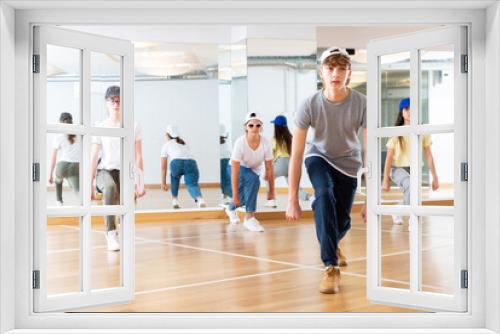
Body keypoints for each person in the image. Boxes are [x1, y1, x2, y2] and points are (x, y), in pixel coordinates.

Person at [286, 47, 367, 294]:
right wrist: (292, 199)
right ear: (322, 72)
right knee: (324, 194)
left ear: (349, 72)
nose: (336, 73)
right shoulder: (309, 104)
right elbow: (297, 153)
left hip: (349, 164)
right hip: (318, 157)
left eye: (342, 68)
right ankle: (330, 267)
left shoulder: (362, 103)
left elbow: (370, 148)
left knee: (343, 221)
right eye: (330, 68)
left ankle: (333, 245)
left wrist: (372, 197)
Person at [90, 85, 144, 251]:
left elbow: (138, 156)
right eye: (112, 100)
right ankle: (110, 233)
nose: (116, 103)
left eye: (119, 100)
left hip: (125, 172)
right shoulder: (100, 126)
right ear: (106, 102)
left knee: (128, 203)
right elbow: (93, 157)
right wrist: (89, 184)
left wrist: (139, 181)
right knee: (110, 188)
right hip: (104, 171)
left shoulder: (133, 126)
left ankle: (122, 228)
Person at [382, 97, 439, 224]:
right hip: (397, 169)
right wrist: (385, 179)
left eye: (412, 109)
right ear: (402, 112)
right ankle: (409, 217)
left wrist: (435, 177)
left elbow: (429, 156)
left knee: (414, 194)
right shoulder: (396, 132)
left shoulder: (422, 132)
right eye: (406, 109)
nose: (409, 112)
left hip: (414, 169)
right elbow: (389, 158)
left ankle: (398, 209)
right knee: (410, 185)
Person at [225, 112, 275, 232]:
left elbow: (269, 169)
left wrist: (271, 192)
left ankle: (231, 208)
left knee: (244, 197)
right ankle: (249, 218)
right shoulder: (240, 142)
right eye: (251, 125)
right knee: (253, 180)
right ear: (245, 127)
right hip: (235, 169)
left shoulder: (266, 143)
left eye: (258, 125)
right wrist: (235, 194)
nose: (254, 128)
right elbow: (235, 171)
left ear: (261, 127)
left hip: (252, 170)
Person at [264, 114, 312, 208]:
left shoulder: (275, 139)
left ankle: (271, 200)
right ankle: (310, 198)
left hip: (281, 162)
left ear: (276, 127)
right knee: (294, 186)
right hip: (291, 164)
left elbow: (271, 154)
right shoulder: (291, 138)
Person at [160, 125, 206, 209]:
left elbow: (163, 167)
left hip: (176, 163)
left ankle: (175, 201)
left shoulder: (166, 145)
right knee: (192, 184)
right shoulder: (184, 142)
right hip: (191, 163)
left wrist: (163, 182)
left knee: (174, 177)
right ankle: (200, 199)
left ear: (167, 135)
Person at [48, 112, 80, 206]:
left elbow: (53, 158)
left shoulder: (58, 137)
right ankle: (85, 207)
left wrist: (50, 174)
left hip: (62, 166)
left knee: (58, 180)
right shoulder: (79, 134)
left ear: (60, 122)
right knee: (78, 190)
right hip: (76, 166)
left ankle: (59, 201)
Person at [219, 123, 232, 205]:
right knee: (226, 179)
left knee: (223, 179)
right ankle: (226, 196)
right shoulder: (225, 140)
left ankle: (226, 196)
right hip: (227, 159)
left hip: (221, 160)